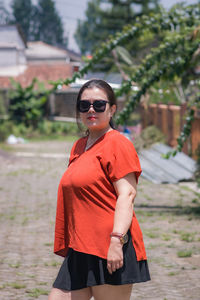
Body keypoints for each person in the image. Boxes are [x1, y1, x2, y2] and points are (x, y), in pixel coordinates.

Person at [48, 79, 150, 300]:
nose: (91, 110)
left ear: (112, 109)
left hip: (109, 246)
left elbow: (127, 194)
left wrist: (116, 240)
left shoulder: (118, 144)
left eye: (99, 104)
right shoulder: (79, 146)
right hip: (81, 247)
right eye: (84, 105)